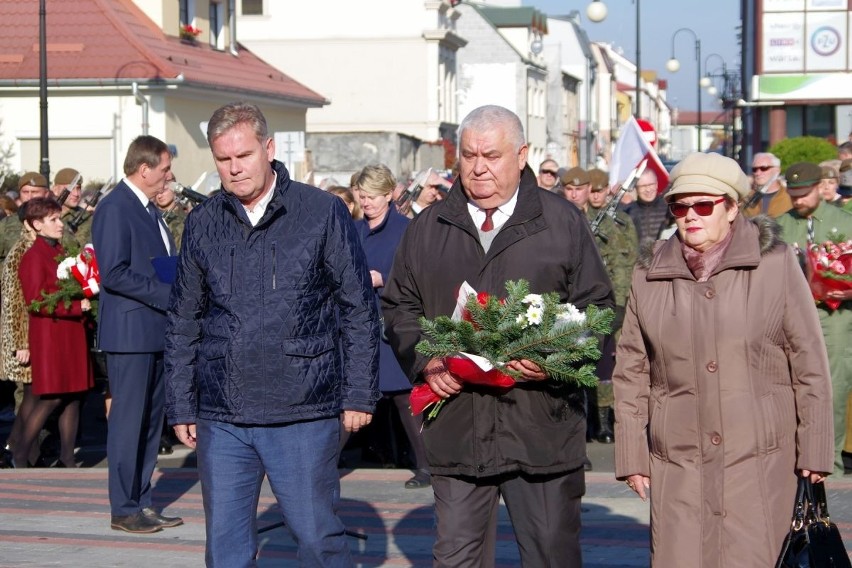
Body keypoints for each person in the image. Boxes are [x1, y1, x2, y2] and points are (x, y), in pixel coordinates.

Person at [382, 105, 614, 566]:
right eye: (468, 155)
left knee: (552, 554)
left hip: (540, 427)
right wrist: (427, 359)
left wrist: (551, 356)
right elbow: (398, 306)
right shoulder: (430, 226)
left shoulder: (561, 220)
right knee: (455, 558)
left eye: (491, 154)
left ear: (522, 155)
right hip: (457, 427)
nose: (478, 167)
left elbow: (598, 309)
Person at [164, 102, 380, 567]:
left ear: (268, 148)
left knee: (318, 539)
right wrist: (181, 402)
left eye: (243, 155)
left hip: (303, 407)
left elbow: (358, 309)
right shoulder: (203, 224)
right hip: (223, 413)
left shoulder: (321, 212)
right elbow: (184, 319)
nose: (234, 168)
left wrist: (359, 394)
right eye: (223, 159)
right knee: (225, 548)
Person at [614, 152, 834, 566]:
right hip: (678, 462)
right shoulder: (649, 274)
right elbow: (631, 369)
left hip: (758, 462)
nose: (689, 216)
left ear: (731, 207)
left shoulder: (775, 264)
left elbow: (809, 360)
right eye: (680, 206)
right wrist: (631, 455)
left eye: (703, 205)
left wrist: (816, 449)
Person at [92, 135, 182, 534]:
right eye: (164, 169)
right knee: (129, 424)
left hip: (155, 331)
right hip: (130, 335)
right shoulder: (115, 207)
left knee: (149, 424)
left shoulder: (148, 209)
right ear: (144, 169)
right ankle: (123, 507)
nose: (169, 176)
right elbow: (112, 273)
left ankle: (142, 502)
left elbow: (153, 263)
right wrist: (168, 294)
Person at [353, 164, 429, 488]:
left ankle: (428, 466)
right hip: (359, 327)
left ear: (389, 194)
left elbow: (420, 276)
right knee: (354, 398)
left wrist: (383, 280)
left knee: (403, 398)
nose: (365, 202)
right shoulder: (354, 230)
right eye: (361, 196)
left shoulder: (405, 230)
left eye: (371, 196)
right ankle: (323, 466)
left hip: (393, 325)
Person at [775, 161, 852, 476]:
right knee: (790, 387)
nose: (797, 201)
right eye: (793, 194)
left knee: (833, 388)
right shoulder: (778, 226)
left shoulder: (845, 223)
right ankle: (795, 458)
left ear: (820, 187)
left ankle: (829, 462)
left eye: (804, 194)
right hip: (790, 316)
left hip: (833, 317)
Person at [16, 198, 93, 468]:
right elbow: (35, 300)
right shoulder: (33, 256)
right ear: (37, 225)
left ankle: (67, 458)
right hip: (52, 336)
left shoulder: (63, 250)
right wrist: (76, 305)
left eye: (60, 218)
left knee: (74, 396)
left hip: (71, 333)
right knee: (53, 397)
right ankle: (19, 454)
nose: (61, 224)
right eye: (54, 219)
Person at [576, 167, 637, 445]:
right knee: (585, 362)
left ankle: (606, 420)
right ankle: (587, 420)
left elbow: (627, 265)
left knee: (612, 366)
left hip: (616, 303)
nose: (597, 196)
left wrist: (622, 304)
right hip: (587, 304)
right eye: (594, 190)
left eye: (602, 191)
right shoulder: (579, 220)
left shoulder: (620, 223)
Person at [0, 173, 49, 263]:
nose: (29, 197)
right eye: (25, 192)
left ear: (46, 194)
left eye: (35, 192)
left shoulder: (56, 222)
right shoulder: (6, 224)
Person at [624, 169, 668, 247]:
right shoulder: (627, 211)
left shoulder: (668, 209)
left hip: (663, 256)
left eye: (651, 184)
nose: (648, 190)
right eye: (643, 186)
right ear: (636, 188)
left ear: (656, 184)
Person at [741, 152, 792, 218]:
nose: (758, 173)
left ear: (777, 170)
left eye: (764, 168)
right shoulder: (746, 198)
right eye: (754, 169)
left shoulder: (790, 197)